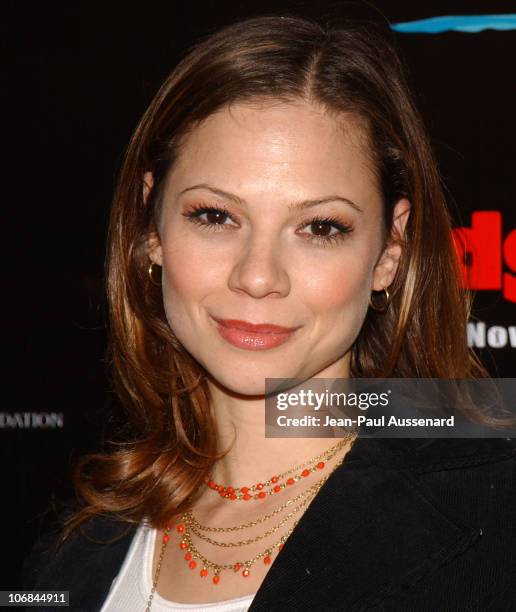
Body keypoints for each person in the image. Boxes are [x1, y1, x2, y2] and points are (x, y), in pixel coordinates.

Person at [22, 13, 515, 612]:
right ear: (151, 227)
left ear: (389, 252)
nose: (258, 276)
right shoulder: (76, 546)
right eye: (215, 216)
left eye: (320, 227)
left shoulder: (491, 518)